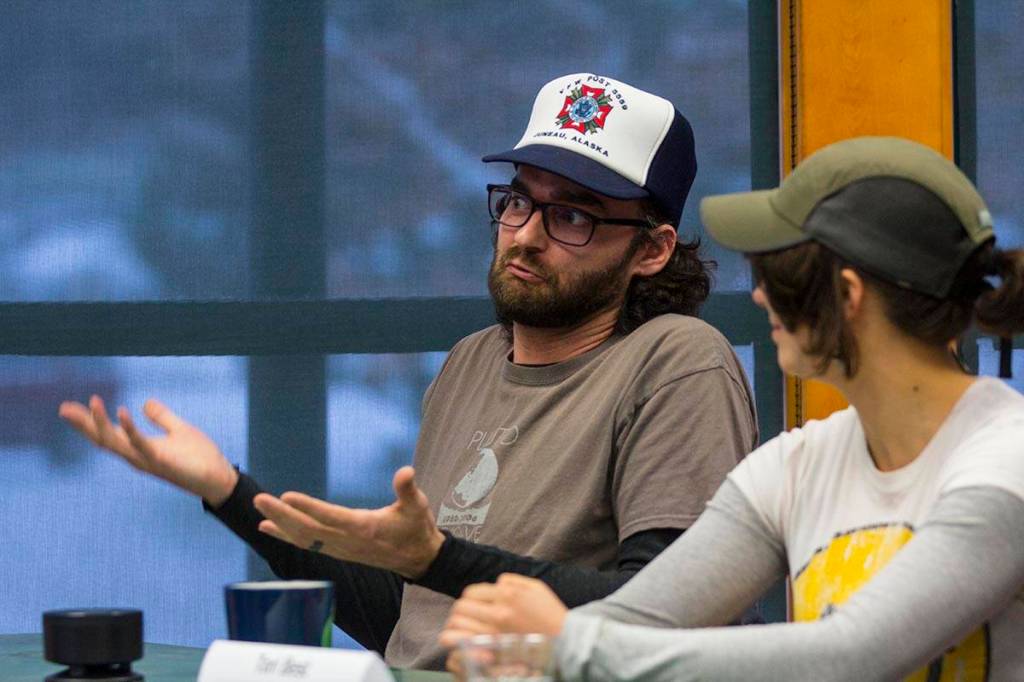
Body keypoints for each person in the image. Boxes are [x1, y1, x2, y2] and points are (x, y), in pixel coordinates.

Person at [59, 73, 757, 670]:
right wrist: (229, 492)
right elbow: (410, 620)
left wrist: (438, 560)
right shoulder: (469, 362)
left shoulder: (677, 360)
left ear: (653, 250)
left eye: (573, 214)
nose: (527, 234)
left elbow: (670, 616)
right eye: (519, 199)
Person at [441, 136, 1024, 681]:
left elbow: (850, 655)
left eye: (783, 274)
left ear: (848, 297)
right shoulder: (798, 466)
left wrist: (567, 643)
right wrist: (515, 646)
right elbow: (642, 621)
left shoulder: (1004, 461)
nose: (760, 294)